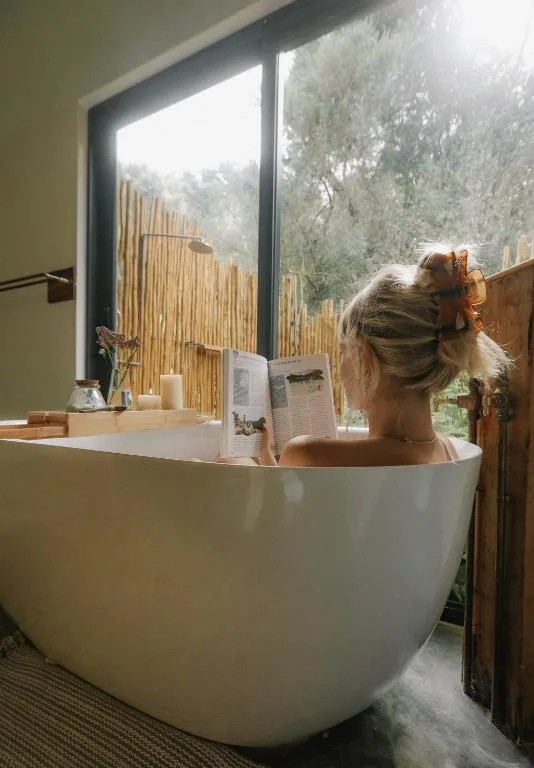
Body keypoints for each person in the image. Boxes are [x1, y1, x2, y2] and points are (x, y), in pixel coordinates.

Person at [221, 247, 509, 468]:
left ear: (363, 356)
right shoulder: (450, 453)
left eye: (344, 350)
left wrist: (244, 464)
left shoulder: (307, 454)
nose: (340, 363)